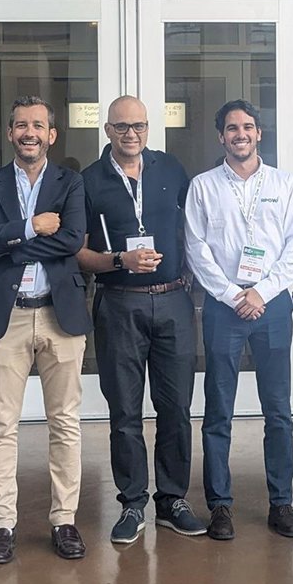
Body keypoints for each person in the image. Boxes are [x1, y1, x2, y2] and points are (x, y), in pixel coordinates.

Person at [0, 95, 93, 563]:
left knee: (65, 423)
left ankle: (64, 520)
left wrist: (8, 247)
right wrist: (31, 226)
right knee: (1, 424)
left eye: (38, 125)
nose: (29, 133)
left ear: (51, 135)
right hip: (7, 315)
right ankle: (2, 525)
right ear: (10, 133)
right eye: (21, 125)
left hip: (61, 316)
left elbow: (72, 240)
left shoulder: (70, 182)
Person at [77, 96, 205, 544]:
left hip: (172, 302)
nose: (131, 134)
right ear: (107, 131)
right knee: (124, 411)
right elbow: (78, 252)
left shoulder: (170, 169)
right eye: (122, 127)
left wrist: (194, 274)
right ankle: (132, 503)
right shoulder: (89, 181)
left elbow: (195, 228)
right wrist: (119, 259)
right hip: (119, 304)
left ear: (148, 129)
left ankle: (172, 500)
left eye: (139, 126)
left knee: (176, 408)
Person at [184, 99, 293, 540]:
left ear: (259, 134)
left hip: (271, 305)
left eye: (248, 127)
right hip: (224, 306)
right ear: (221, 136)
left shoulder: (283, 183)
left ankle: (282, 502)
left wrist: (262, 292)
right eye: (232, 128)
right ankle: (219, 504)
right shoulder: (203, 186)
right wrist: (234, 294)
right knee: (219, 409)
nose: (241, 134)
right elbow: (196, 247)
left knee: (278, 410)